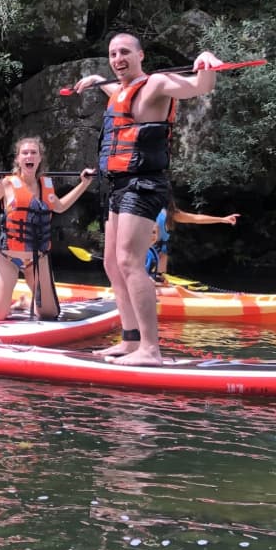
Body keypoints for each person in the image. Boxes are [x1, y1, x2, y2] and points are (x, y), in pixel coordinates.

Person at [71, 33, 224, 365]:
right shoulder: (120, 90)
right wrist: (96, 79)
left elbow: (200, 87)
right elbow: (115, 91)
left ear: (140, 55)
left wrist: (205, 61)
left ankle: (150, 349)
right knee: (111, 263)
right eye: (113, 54)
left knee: (129, 261)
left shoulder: (157, 83)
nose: (118, 58)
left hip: (144, 183)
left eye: (125, 52)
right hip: (118, 183)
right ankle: (130, 341)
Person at [0, 137, 96, 321]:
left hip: (38, 259)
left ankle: (25, 301)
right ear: (18, 159)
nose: (29, 156)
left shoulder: (46, 186)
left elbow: (60, 206)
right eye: (24, 153)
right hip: (9, 258)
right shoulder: (7, 184)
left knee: (49, 314)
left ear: (40, 158)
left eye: (33, 153)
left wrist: (84, 183)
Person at [147, 204, 240, 283]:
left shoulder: (169, 212)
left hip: (159, 256)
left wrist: (222, 219)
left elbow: (196, 218)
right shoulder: (141, 208)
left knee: (160, 282)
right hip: (143, 254)